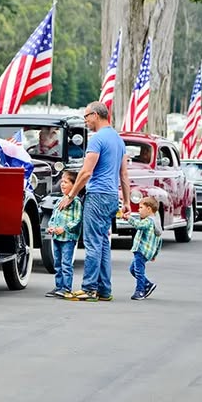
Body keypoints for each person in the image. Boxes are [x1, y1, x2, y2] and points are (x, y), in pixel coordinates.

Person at [59, 101, 130, 302]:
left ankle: (89, 288)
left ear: (96, 115)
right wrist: (126, 202)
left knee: (92, 243)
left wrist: (70, 195)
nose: (85, 121)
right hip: (111, 197)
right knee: (103, 243)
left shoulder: (97, 139)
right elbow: (124, 174)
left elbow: (86, 172)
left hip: (97, 195)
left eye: (86, 116)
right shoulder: (118, 140)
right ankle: (104, 290)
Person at [45, 170, 82, 299]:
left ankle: (67, 288)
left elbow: (77, 220)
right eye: (62, 182)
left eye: (66, 182)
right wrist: (51, 227)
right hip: (57, 237)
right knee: (57, 263)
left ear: (74, 185)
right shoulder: (60, 200)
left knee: (66, 263)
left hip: (68, 238)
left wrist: (64, 228)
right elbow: (54, 216)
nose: (62, 184)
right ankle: (59, 286)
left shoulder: (76, 202)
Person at [123, 196, 161, 300]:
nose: (139, 210)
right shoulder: (156, 223)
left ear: (149, 209)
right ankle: (148, 284)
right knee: (133, 269)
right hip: (146, 252)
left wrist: (129, 218)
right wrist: (154, 254)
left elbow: (139, 225)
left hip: (141, 250)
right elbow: (159, 241)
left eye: (140, 207)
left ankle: (140, 291)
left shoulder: (148, 221)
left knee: (139, 272)